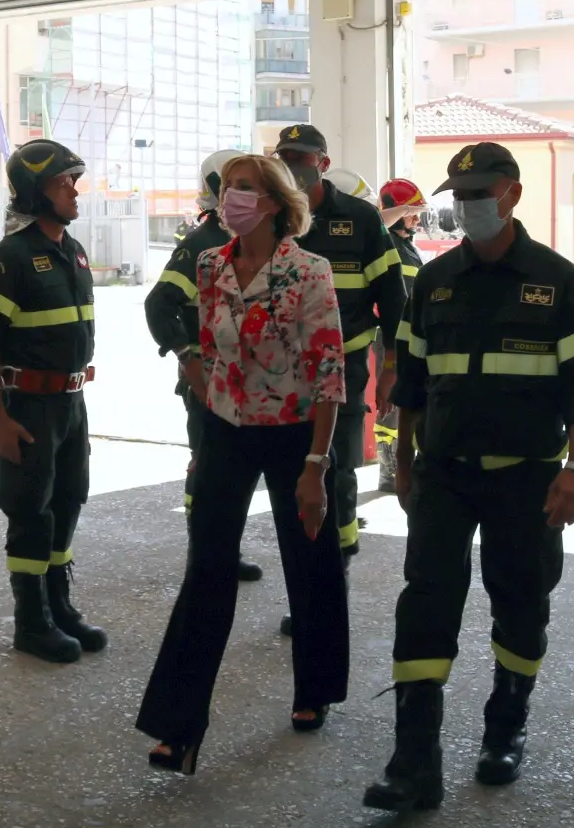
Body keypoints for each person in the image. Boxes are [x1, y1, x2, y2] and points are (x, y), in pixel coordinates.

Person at [365, 141, 574, 813]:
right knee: (426, 604)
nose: (468, 207)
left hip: (528, 479)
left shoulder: (558, 280)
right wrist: (405, 463)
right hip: (443, 473)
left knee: (521, 603)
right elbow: (409, 384)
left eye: (480, 194)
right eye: (460, 196)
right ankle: (414, 760)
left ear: (512, 194)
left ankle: (506, 726)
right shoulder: (434, 284)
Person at [136, 153, 348, 773]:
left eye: (245, 189)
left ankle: (314, 689)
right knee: (207, 569)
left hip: (294, 435)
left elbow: (329, 371)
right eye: (228, 188)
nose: (232, 199)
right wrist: (201, 383)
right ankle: (180, 726)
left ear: (276, 204)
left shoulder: (309, 271)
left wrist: (316, 464)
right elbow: (206, 344)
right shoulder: (209, 265)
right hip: (227, 432)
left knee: (309, 560)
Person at [0, 139, 105, 665]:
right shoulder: (12, 258)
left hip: (70, 405)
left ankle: (58, 603)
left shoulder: (74, 250)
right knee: (30, 512)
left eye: (74, 180)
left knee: (68, 501)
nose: (74, 191)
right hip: (26, 408)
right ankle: (31, 622)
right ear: (34, 192)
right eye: (64, 182)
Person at [274, 124, 406, 636]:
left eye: (301, 156)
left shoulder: (360, 218)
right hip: (283, 375)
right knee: (293, 478)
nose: (292, 164)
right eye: (284, 156)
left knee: (338, 474)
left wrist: (392, 364)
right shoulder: (276, 215)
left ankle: (335, 577)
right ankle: (306, 587)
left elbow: (393, 296)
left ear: (322, 163)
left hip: (347, 370)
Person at [145, 149, 261, 583]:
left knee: (236, 472)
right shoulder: (200, 245)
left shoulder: (251, 241)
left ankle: (223, 550)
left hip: (253, 384)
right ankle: (205, 553)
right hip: (211, 383)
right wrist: (187, 358)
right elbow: (160, 304)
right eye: (238, 186)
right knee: (209, 466)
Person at [375, 178, 429, 490]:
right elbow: (378, 221)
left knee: (408, 400)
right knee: (390, 405)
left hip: (412, 336)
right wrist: (401, 209)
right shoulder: (384, 240)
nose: (417, 219)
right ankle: (388, 468)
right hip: (390, 337)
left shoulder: (409, 248)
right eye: (412, 212)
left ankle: (403, 461)